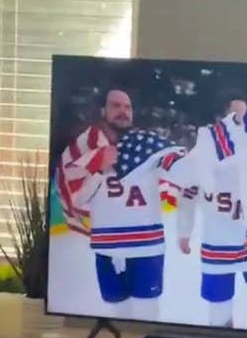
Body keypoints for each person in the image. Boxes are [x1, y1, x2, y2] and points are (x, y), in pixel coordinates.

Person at [56, 86, 185, 321]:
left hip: (146, 246)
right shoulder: (86, 148)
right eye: (116, 106)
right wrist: (97, 169)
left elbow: (180, 173)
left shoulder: (149, 146)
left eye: (127, 107)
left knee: (146, 316)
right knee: (117, 318)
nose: (123, 111)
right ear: (103, 110)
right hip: (107, 247)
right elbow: (77, 199)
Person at [174, 93, 247, 330]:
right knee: (219, 307)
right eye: (234, 113)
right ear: (223, 116)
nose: (240, 119)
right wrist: (184, 231)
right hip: (218, 242)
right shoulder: (204, 148)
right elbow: (188, 192)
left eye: (244, 114)